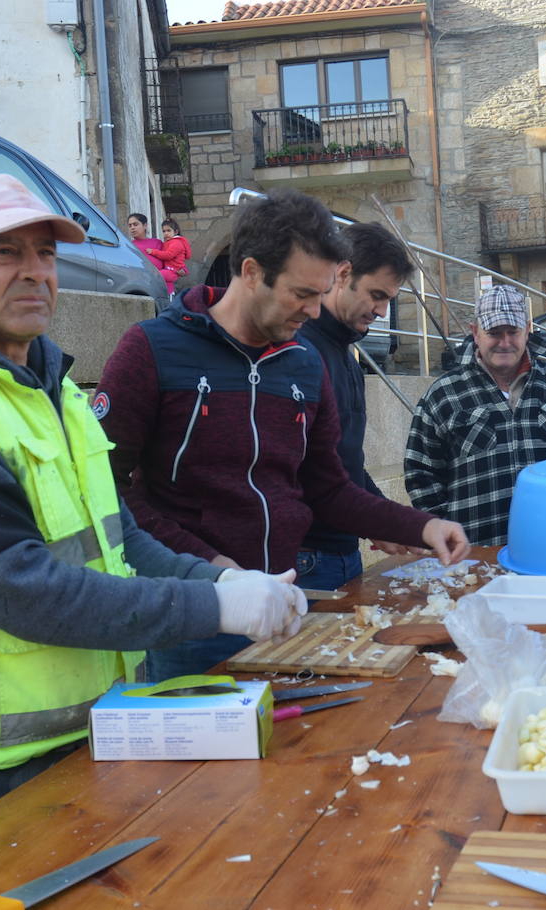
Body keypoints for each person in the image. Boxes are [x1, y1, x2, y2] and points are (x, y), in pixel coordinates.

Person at [0, 174, 305, 838]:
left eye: (46, 254)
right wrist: (217, 607)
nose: (35, 273)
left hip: (98, 732)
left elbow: (120, 541)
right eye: (5, 253)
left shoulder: (52, 392)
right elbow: (20, 591)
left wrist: (221, 578)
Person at [96, 188, 469, 680]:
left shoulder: (304, 363)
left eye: (320, 294)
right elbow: (106, 490)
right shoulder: (151, 349)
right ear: (251, 272)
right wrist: (212, 566)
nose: (314, 312)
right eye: (302, 294)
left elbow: (328, 488)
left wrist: (418, 525)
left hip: (284, 610)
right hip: (191, 618)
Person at [404, 285, 546, 546]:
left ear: (528, 329)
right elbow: (421, 471)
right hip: (474, 557)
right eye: (494, 333)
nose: (505, 342)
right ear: (475, 332)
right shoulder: (443, 395)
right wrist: (444, 531)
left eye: (513, 332)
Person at [296, 221, 423, 589]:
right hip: (308, 555)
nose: (382, 312)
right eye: (377, 295)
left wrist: (386, 519)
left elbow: (345, 464)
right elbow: (305, 473)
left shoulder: (345, 356)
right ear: (343, 273)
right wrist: (385, 520)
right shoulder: (303, 351)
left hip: (337, 549)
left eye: (389, 300)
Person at [145, 218, 191, 296]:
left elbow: (168, 255)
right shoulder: (169, 242)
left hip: (173, 271)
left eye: (168, 230)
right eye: (164, 231)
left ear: (176, 232)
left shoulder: (176, 243)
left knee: (157, 276)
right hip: (171, 270)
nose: (166, 233)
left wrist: (153, 251)